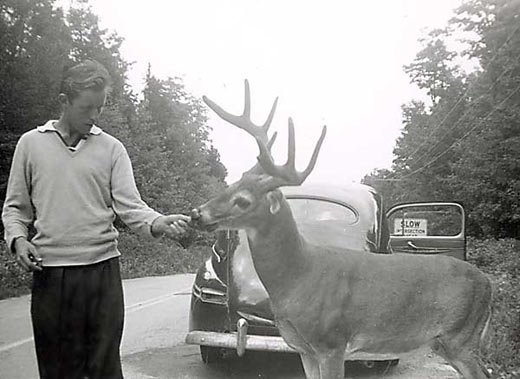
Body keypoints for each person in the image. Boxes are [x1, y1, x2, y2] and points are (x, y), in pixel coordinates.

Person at [2, 59, 191, 379]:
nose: (94, 116)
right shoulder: (31, 144)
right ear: (65, 102)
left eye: (100, 108)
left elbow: (131, 207)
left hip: (102, 274)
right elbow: (16, 209)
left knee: (104, 370)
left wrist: (159, 222)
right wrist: (18, 240)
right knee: (58, 371)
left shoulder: (112, 149)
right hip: (52, 276)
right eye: (87, 108)